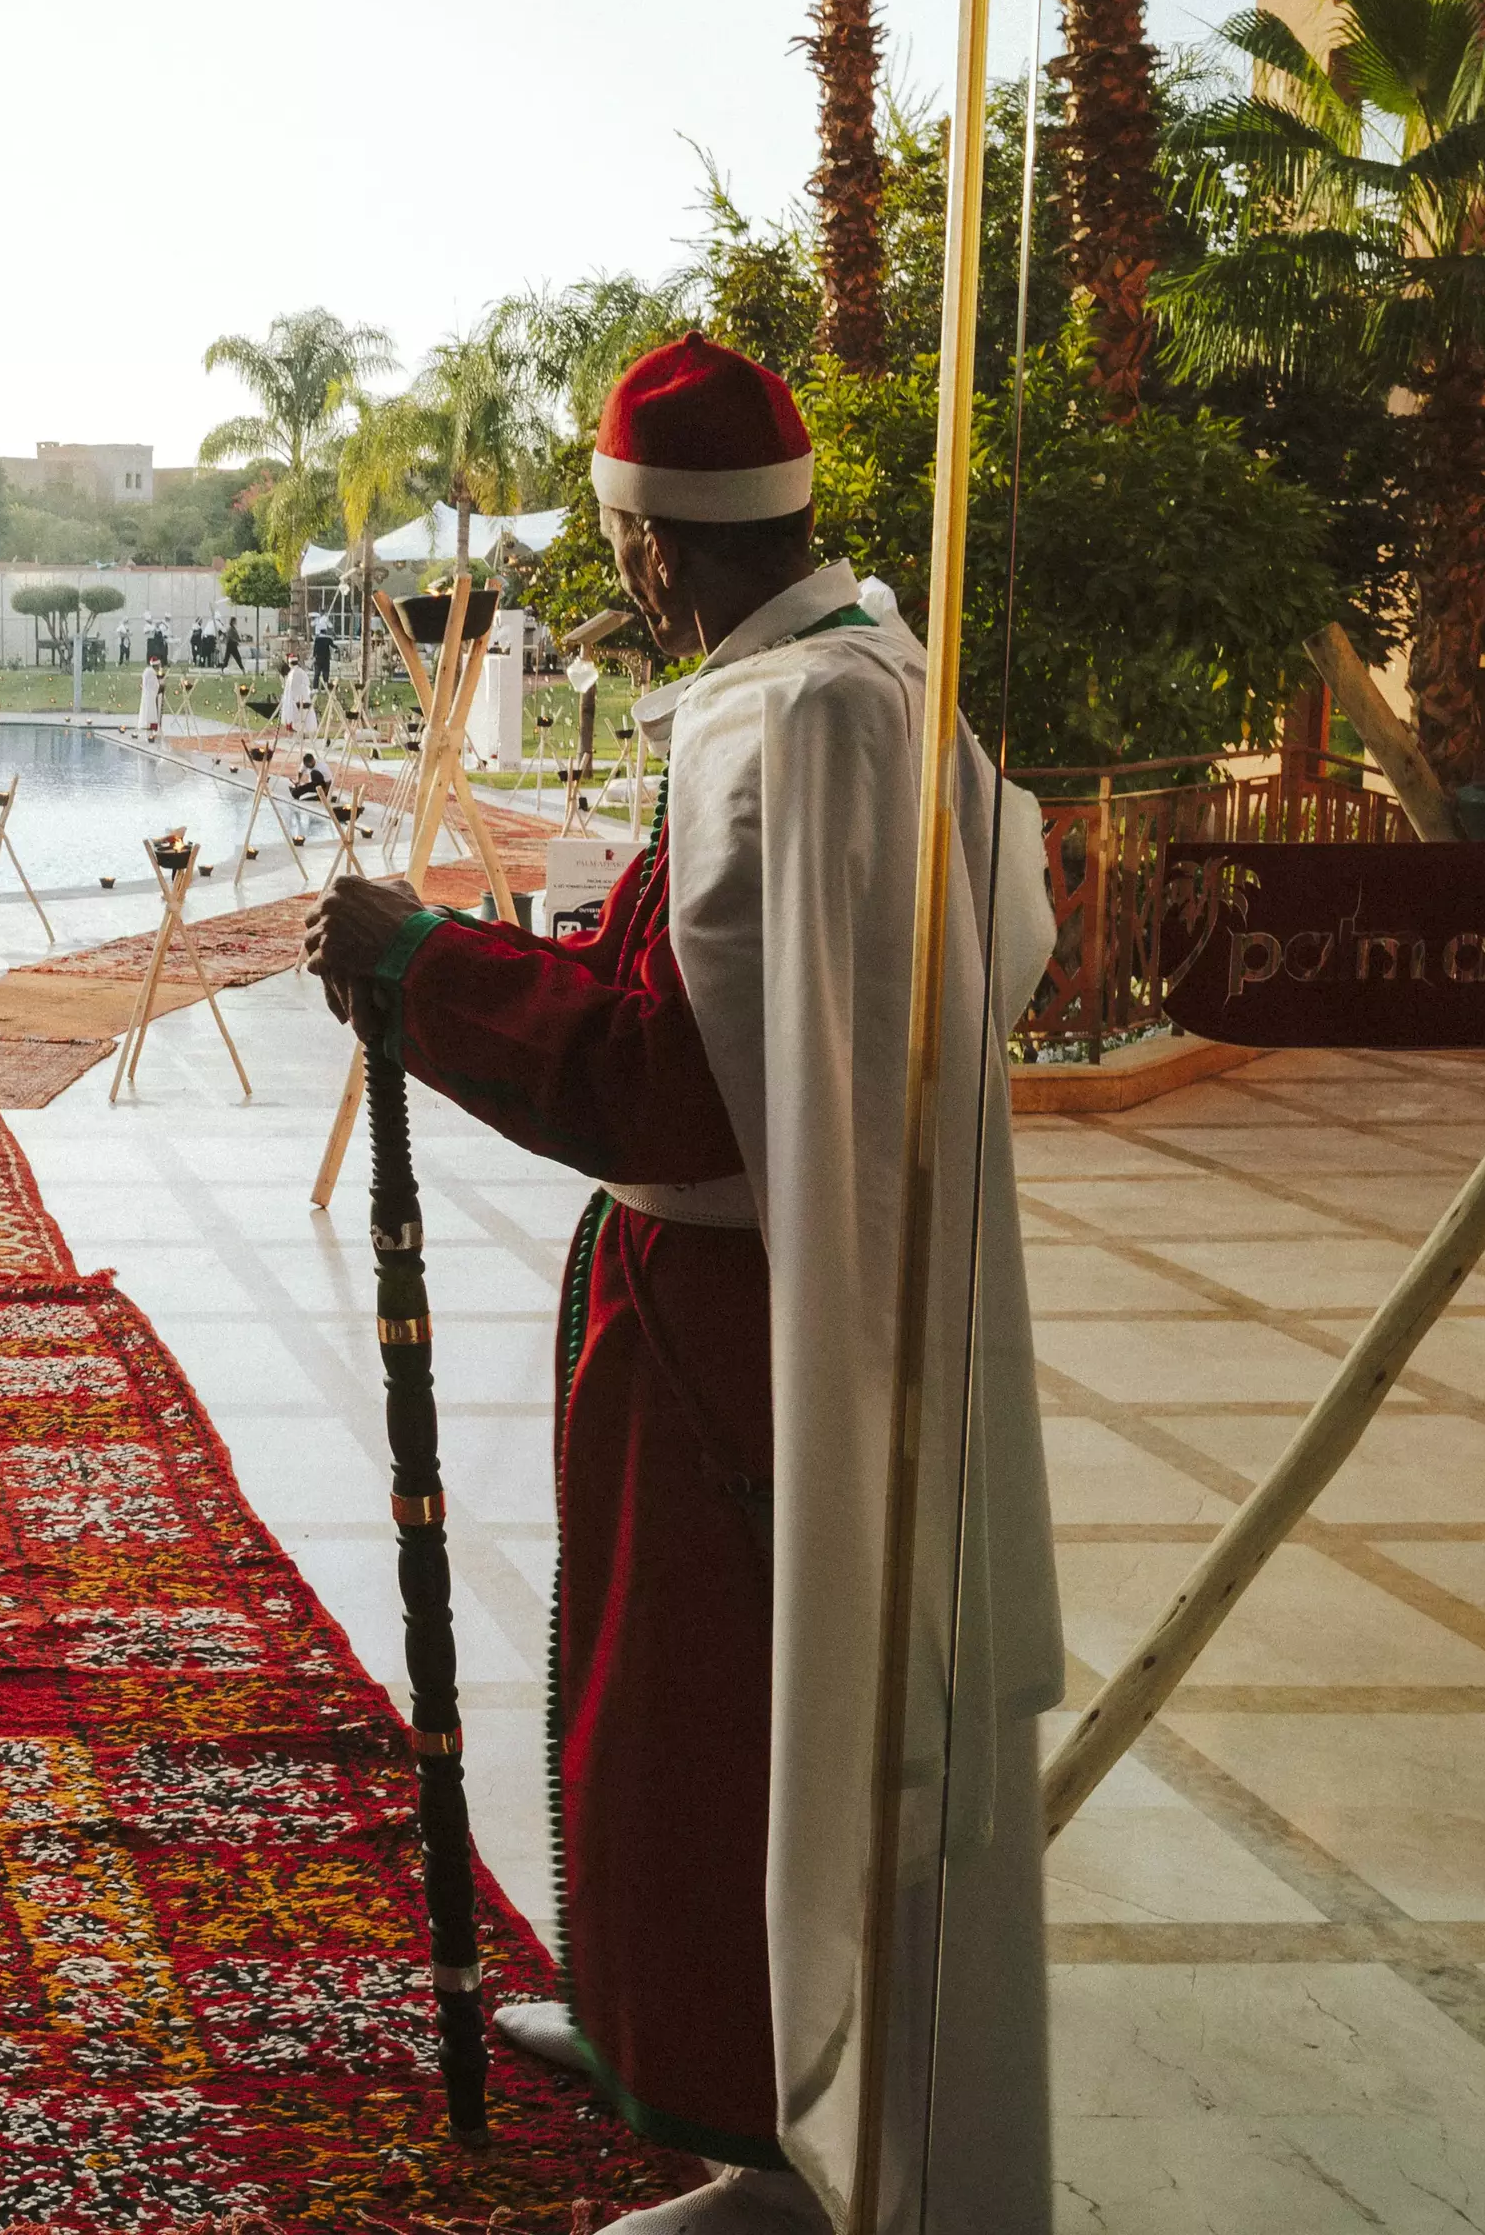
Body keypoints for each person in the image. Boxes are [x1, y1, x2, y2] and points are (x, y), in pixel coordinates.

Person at [304, 337, 1060, 2235]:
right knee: (663, 1712)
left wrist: (427, 971)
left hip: (753, 1332)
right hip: (805, 1295)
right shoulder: (894, 681)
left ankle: (778, 2143)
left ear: (651, 550)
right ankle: (676, 2028)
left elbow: (665, 1079)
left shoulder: (779, 721)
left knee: (728, 1725)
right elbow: (985, 952)